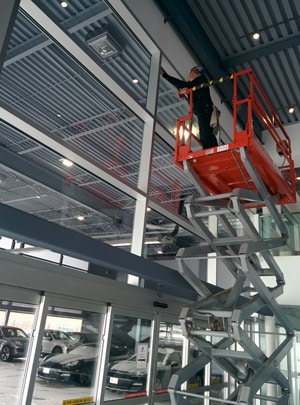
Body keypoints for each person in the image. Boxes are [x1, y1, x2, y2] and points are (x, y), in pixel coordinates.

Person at [160, 66, 218, 149]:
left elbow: (183, 84)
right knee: (206, 132)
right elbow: (190, 89)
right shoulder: (195, 85)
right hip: (204, 111)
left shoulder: (201, 80)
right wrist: (187, 91)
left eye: (192, 72)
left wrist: (165, 76)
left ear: (197, 73)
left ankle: (210, 149)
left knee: (205, 133)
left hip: (205, 110)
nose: (190, 74)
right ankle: (210, 148)